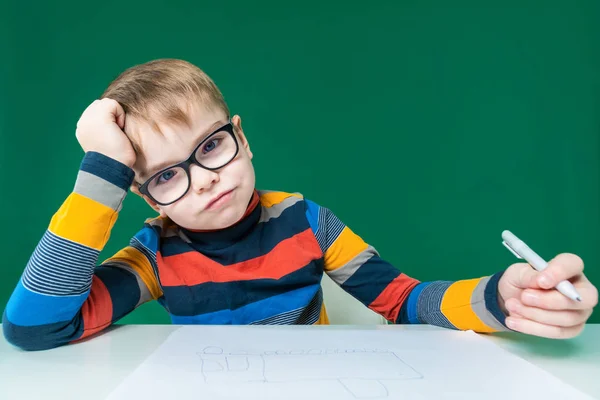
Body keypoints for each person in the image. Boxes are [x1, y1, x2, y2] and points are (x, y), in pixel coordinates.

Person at [3, 59, 597, 351]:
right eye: (166, 177)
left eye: (212, 146)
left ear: (241, 135)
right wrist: (99, 178)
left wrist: (501, 296)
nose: (206, 182)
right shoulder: (156, 255)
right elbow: (35, 327)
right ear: (141, 194)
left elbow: (405, 301)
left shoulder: (306, 223)